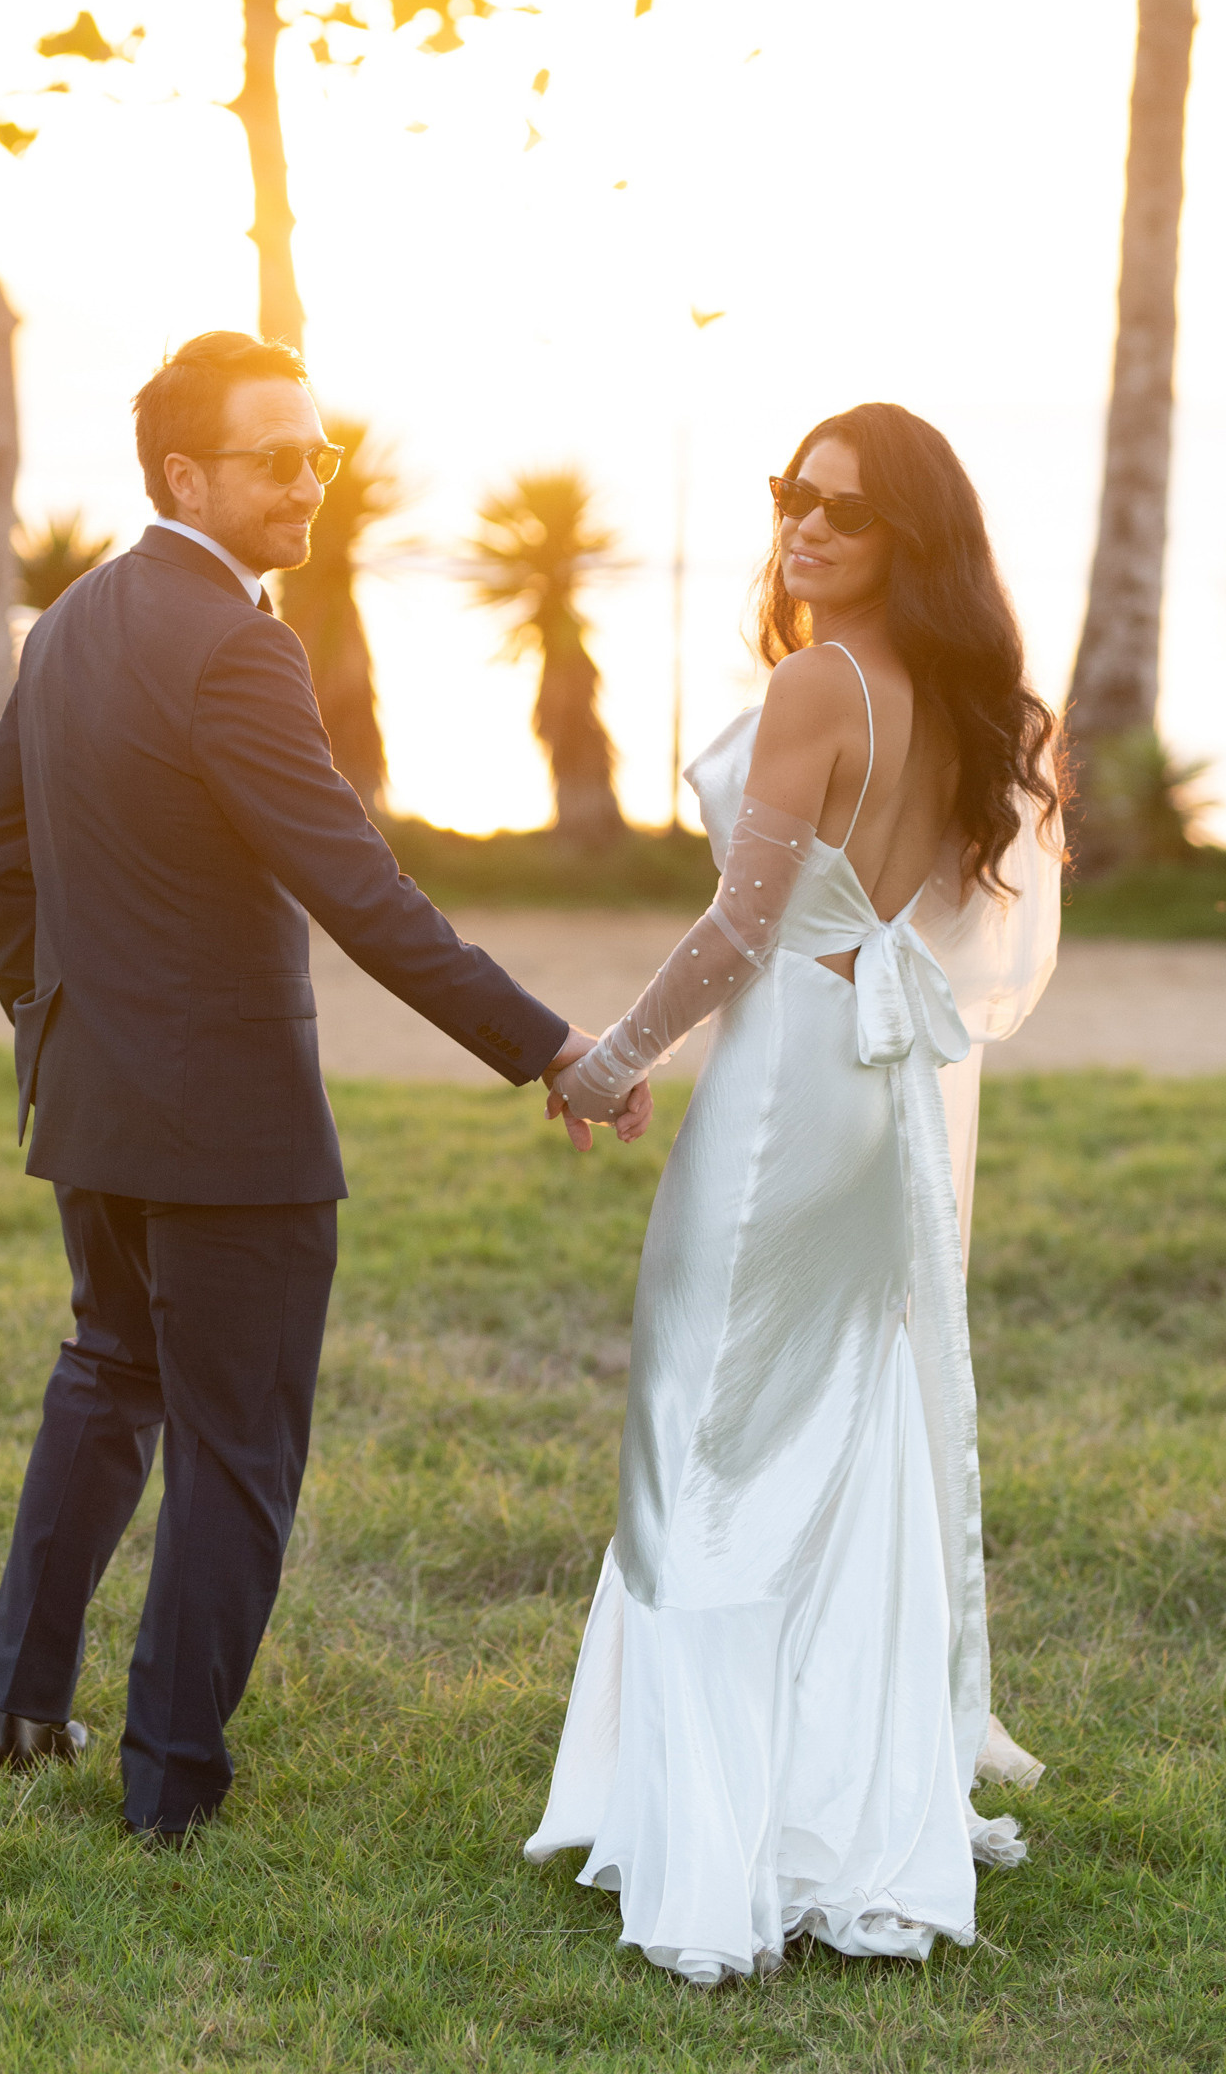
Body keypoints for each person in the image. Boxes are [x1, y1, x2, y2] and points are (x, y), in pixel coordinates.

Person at [0, 329, 639, 1841]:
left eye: (319, 454)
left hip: (93, 1108)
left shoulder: (66, 620)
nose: (310, 483)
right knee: (236, 1448)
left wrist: (59, 1020)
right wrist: (551, 1048)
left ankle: (19, 1713)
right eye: (280, 458)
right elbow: (361, 888)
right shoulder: (235, 644)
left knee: (107, 1380)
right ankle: (169, 1785)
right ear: (185, 472)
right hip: (230, 1136)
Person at [524, 402, 1063, 1983]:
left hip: (781, 1094)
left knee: (698, 1434)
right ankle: (834, 1797)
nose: (803, 527)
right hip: (874, 1077)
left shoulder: (821, 683)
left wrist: (609, 1059)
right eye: (790, 496)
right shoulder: (963, 705)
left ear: (909, 538)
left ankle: (716, 1841)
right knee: (832, 1431)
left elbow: (735, 932)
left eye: (843, 509)